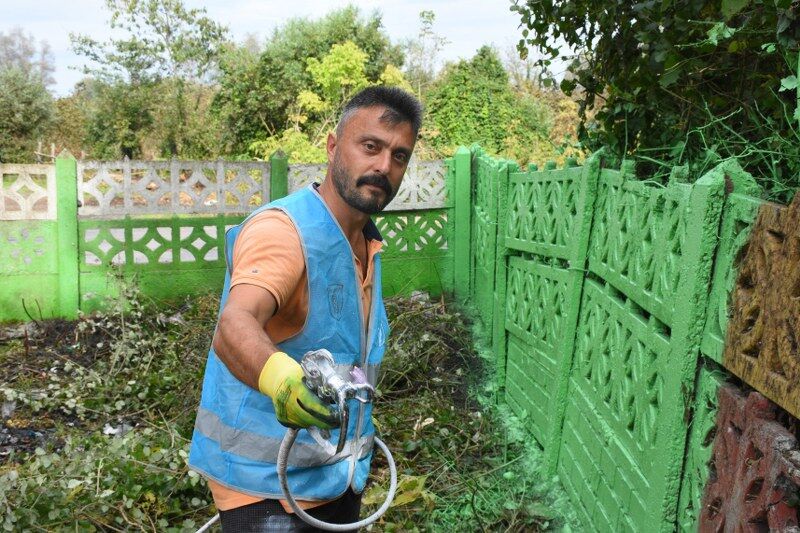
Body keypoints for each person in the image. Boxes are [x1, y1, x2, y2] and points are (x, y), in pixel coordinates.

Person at [188, 86, 422, 531]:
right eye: (370, 146)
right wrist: (282, 380)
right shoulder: (285, 231)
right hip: (265, 490)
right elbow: (235, 324)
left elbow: (351, 356)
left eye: (399, 156)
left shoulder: (365, 244)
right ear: (333, 147)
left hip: (336, 479)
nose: (383, 167)